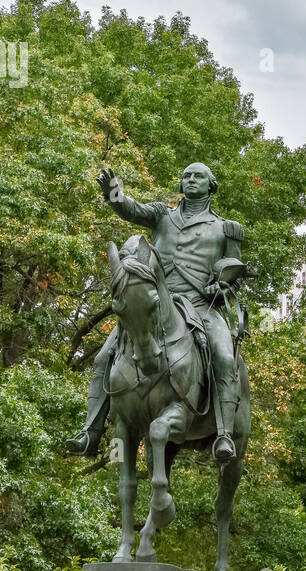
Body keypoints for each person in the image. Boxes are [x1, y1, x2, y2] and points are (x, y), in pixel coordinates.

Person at [66, 162, 246, 461]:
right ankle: (91, 432)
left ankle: (224, 435)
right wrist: (114, 195)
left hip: (201, 306)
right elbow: (131, 210)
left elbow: (233, 271)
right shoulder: (162, 215)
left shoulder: (226, 228)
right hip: (157, 303)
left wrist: (221, 287)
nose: (191, 180)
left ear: (211, 184)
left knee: (226, 358)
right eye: (186, 175)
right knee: (102, 357)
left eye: (198, 176)